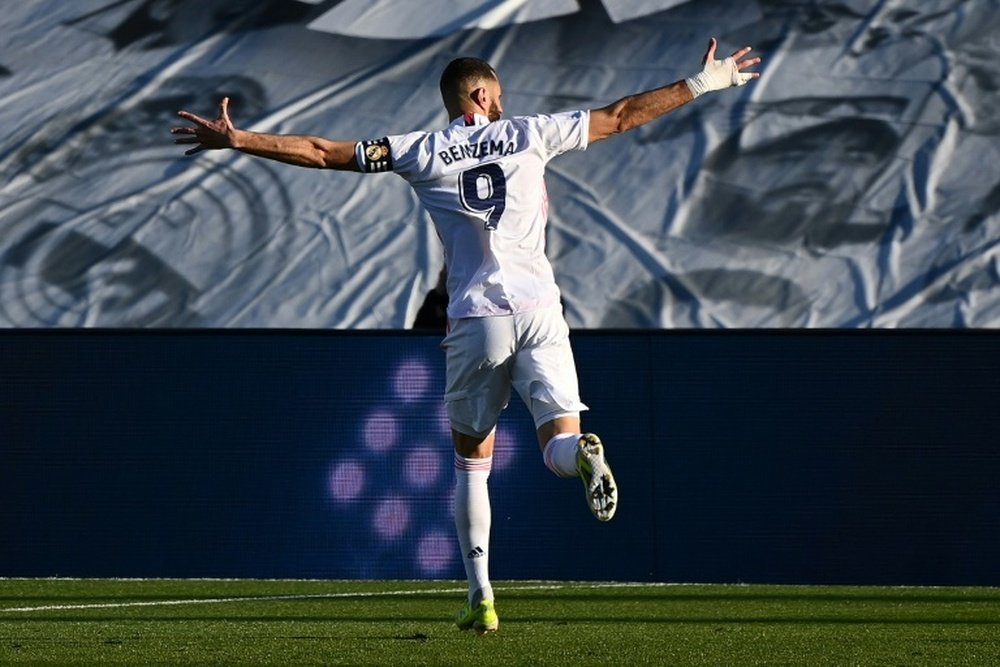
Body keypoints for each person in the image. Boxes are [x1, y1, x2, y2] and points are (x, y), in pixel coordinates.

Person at [172, 37, 760, 634]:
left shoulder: (419, 151)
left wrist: (241, 139)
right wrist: (703, 83)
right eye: (498, 95)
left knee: (471, 462)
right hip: (540, 310)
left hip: (478, 317)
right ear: (480, 93)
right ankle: (578, 455)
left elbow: (325, 152)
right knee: (559, 442)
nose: (504, 104)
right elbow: (622, 114)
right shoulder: (533, 133)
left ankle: (480, 596)